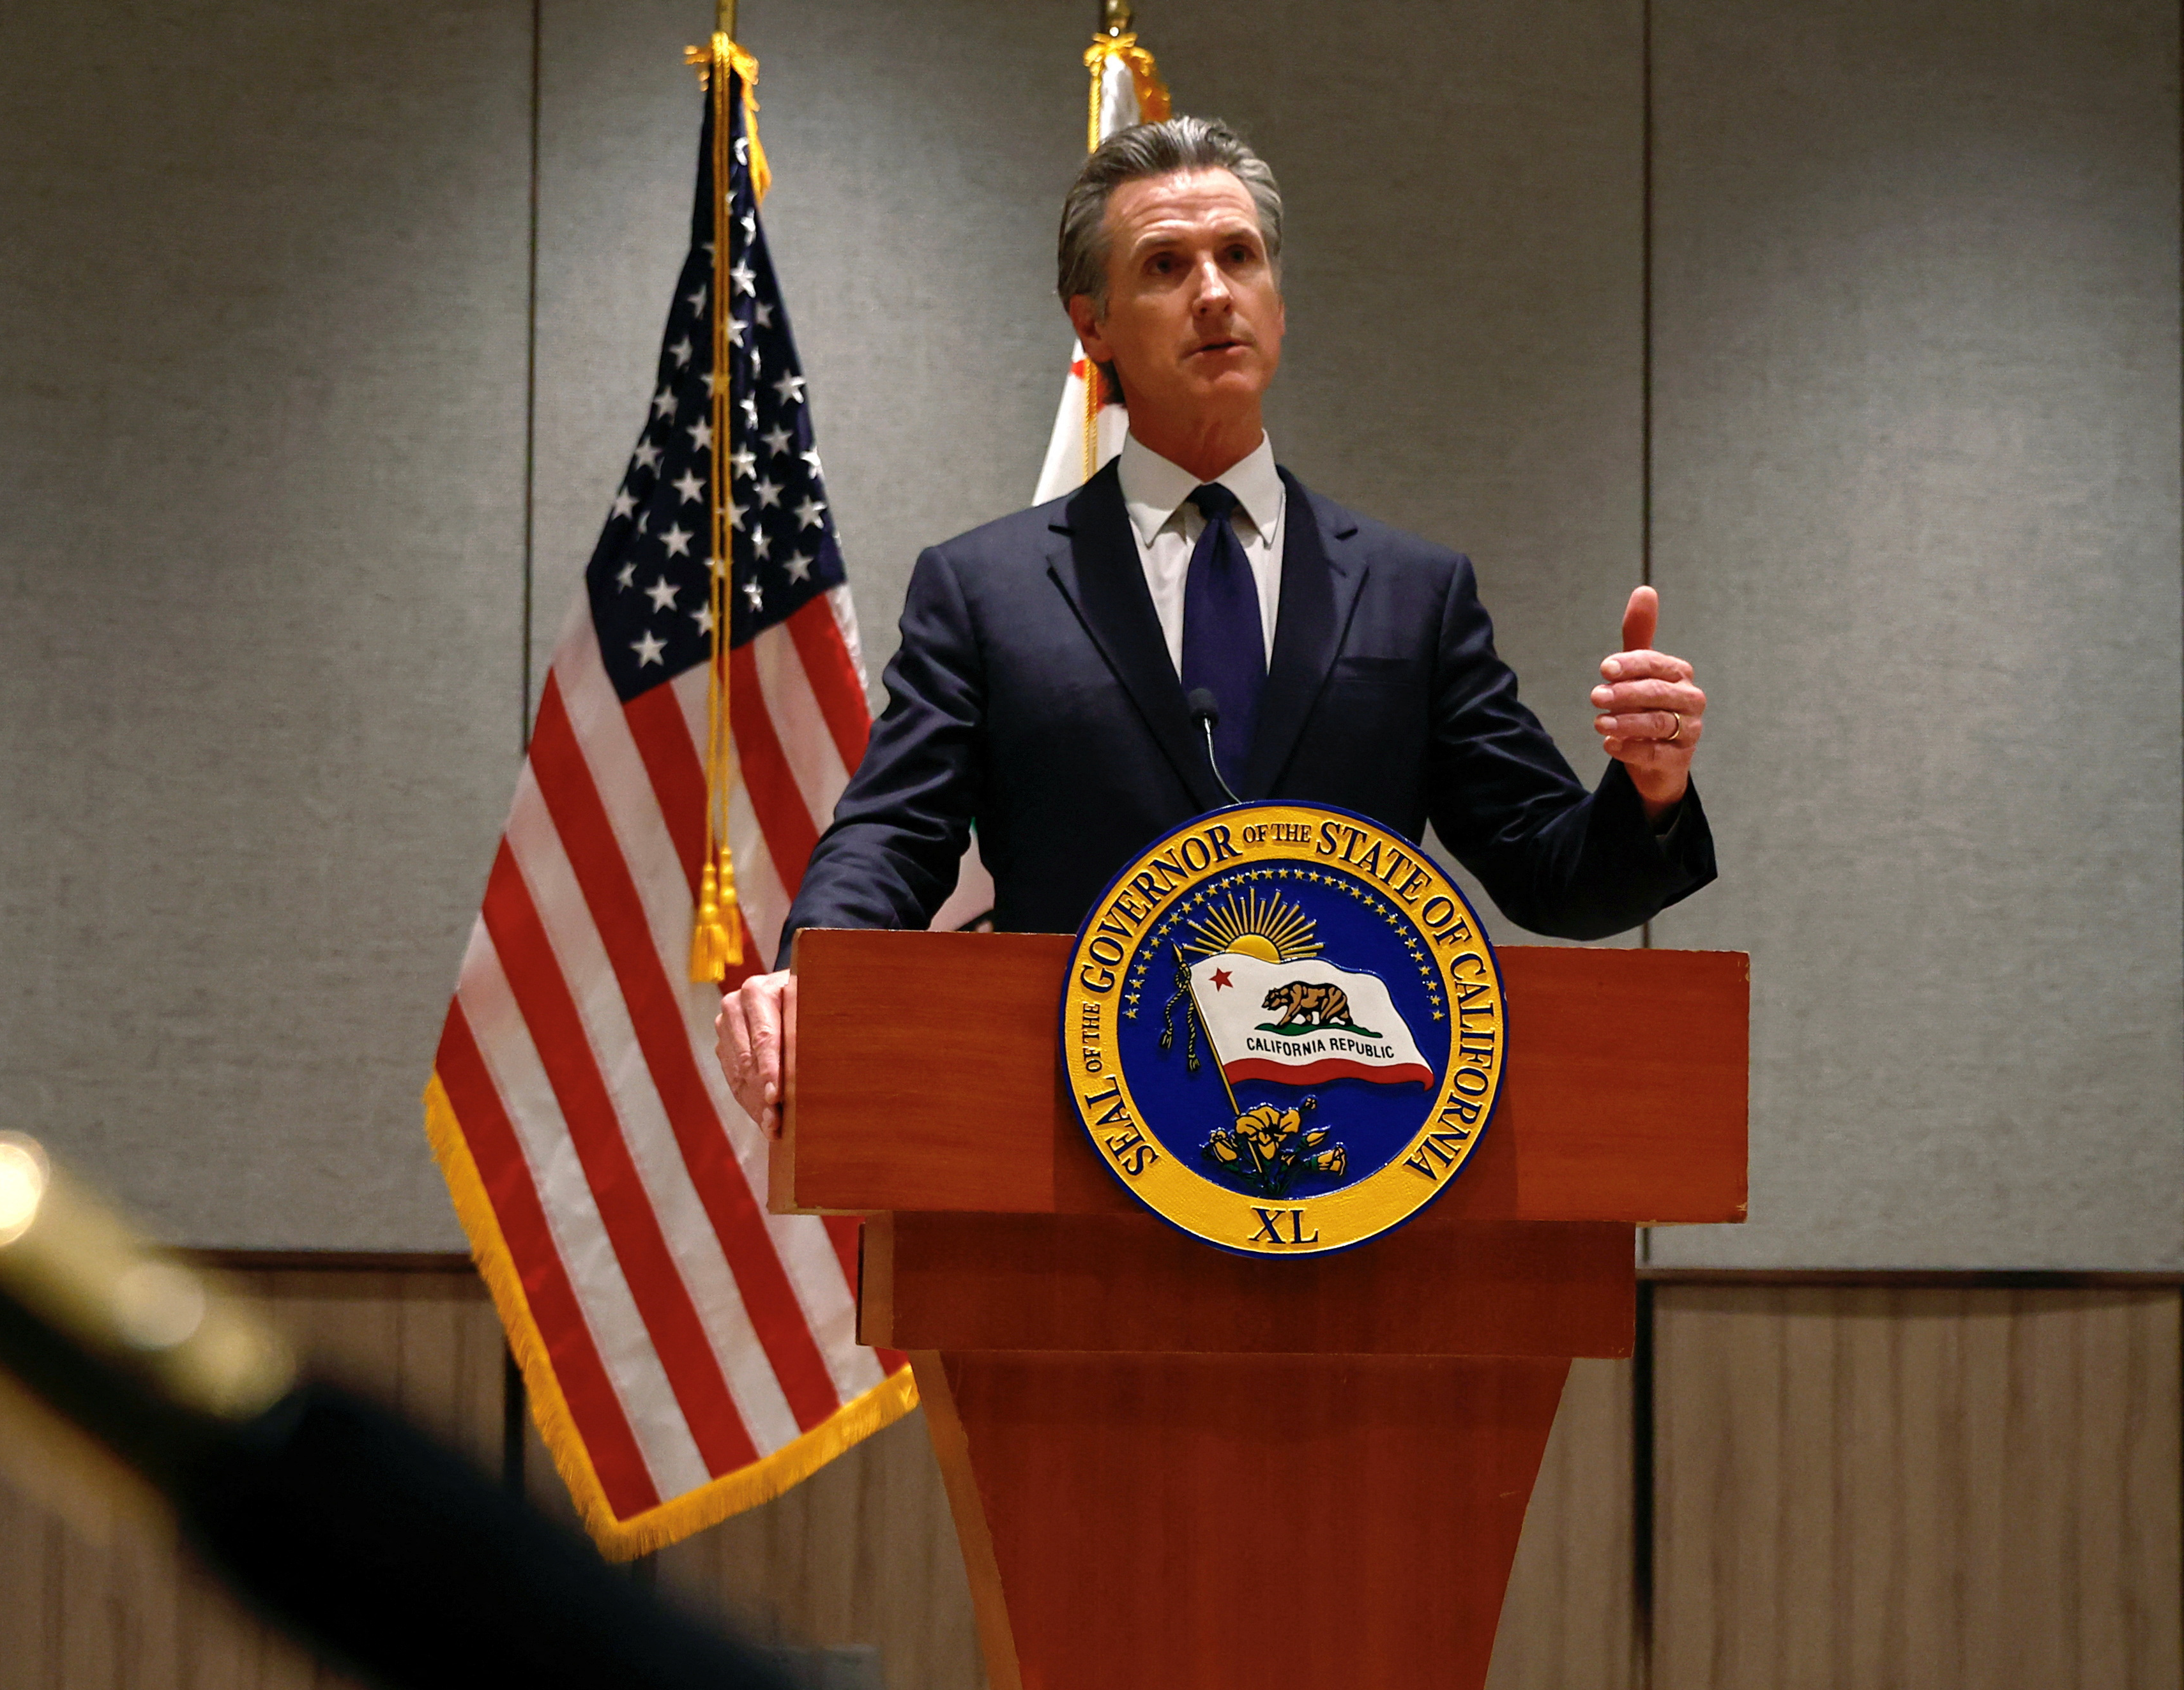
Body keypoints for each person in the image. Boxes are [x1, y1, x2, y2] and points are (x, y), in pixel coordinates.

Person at [716, 116, 1714, 1130]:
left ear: (1279, 303)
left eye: (1240, 257)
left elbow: (1554, 874)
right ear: (1093, 325)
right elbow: (897, 830)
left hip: (1350, 1146)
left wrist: (1650, 791)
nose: (1213, 292)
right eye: (1164, 265)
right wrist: (815, 975)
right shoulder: (987, 590)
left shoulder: (1416, 593)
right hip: (1072, 1133)